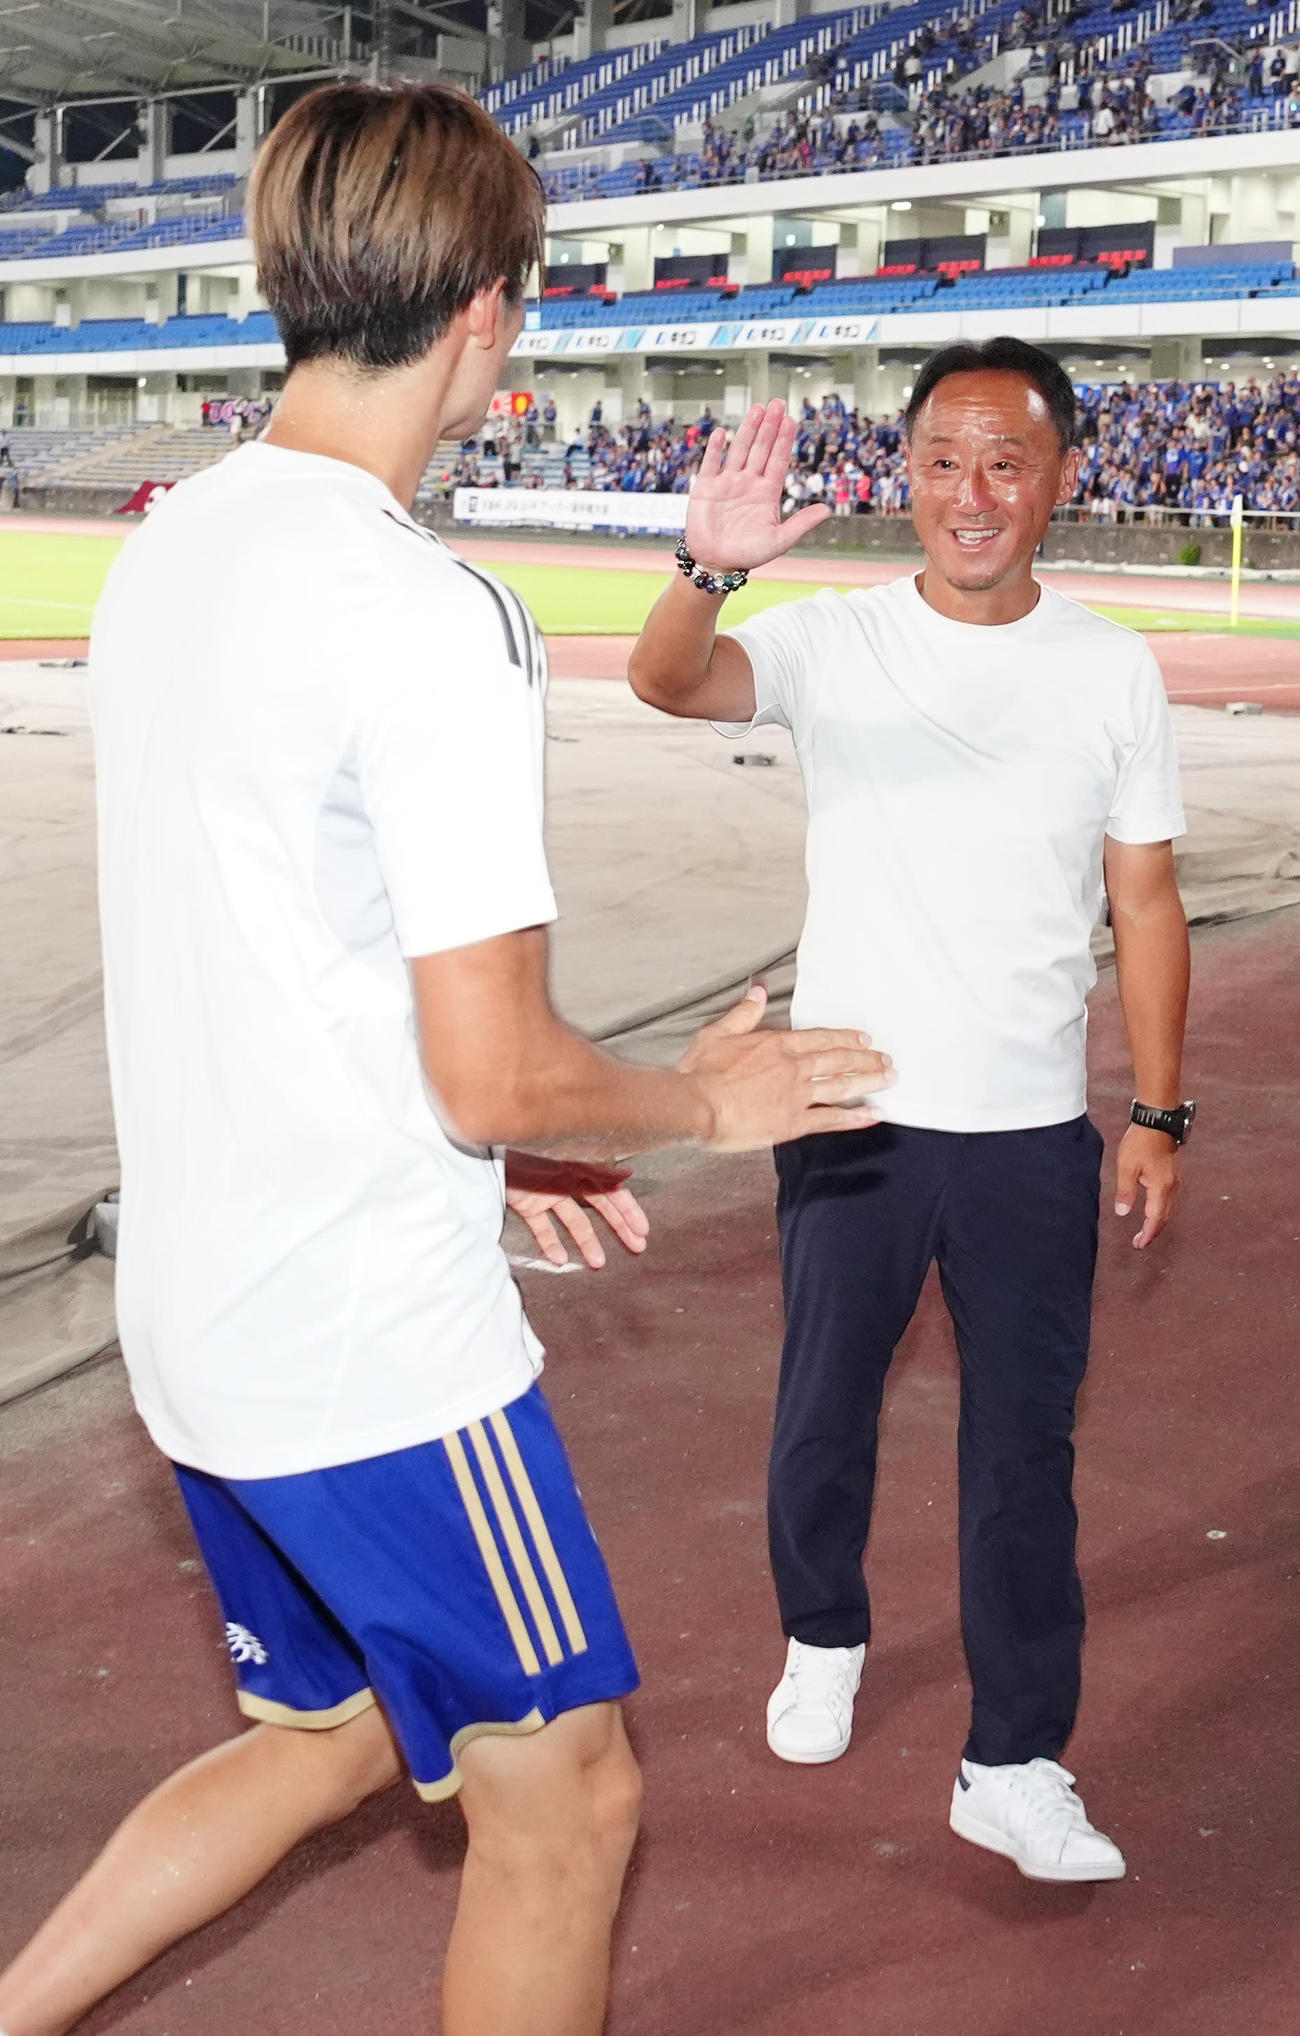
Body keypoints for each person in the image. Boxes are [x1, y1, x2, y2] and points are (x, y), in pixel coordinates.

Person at [0, 82, 891, 2036]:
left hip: (207, 1310)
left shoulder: (175, 544)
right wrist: (697, 1105)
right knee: (569, 1802)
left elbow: (289, 958)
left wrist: (499, 1140)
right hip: (367, 1343)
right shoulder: (428, 611)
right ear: (488, 309)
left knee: (328, 1733)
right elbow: (491, 1068)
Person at [628, 339, 1192, 1886]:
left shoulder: (1111, 669)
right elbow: (670, 680)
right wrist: (705, 569)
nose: (973, 492)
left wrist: (1160, 1111)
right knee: (823, 1408)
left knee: (1025, 1454)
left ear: (1062, 477)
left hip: (1029, 1135)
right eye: (944, 459)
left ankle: (1013, 1761)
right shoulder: (834, 641)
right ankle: (822, 1631)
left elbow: (1146, 902)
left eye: (1008, 460)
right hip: (850, 1115)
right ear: (909, 475)